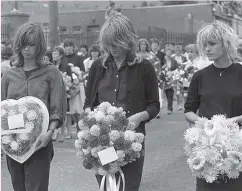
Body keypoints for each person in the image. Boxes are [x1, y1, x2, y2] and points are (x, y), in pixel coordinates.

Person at [84, 10, 160, 191]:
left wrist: (139, 117)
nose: (111, 48)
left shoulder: (144, 67)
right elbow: (89, 102)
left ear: (128, 41)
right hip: (101, 142)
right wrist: (91, 116)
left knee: (128, 186)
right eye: (108, 43)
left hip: (131, 141)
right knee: (106, 187)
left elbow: (154, 105)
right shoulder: (98, 67)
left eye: (116, 43)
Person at [1, 23, 67, 191]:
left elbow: (57, 108)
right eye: (23, 44)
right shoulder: (9, 75)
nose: (26, 49)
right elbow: (2, 108)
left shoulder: (51, 73)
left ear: (40, 46)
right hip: (13, 143)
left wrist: (49, 133)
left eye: (31, 44)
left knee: (37, 187)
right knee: (18, 186)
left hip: (40, 143)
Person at [184, 20, 242, 191]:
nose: (207, 48)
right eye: (204, 45)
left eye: (212, 43)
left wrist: (231, 122)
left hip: (237, 146)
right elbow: (188, 111)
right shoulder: (199, 76)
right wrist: (204, 124)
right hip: (207, 147)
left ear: (226, 44)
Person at [52, 46, 72, 142]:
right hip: (53, 92)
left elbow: (70, 79)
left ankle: (62, 133)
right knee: (54, 111)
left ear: (60, 56)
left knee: (63, 112)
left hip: (64, 91)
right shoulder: (51, 66)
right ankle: (54, 133)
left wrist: (66, 83)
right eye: (53, 53)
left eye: (56, 53)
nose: (53, 55)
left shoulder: (66, 66)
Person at [162, 47, 178, 114]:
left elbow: (176, 69)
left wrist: (173, 74)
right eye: (167, 51)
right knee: (164, 92)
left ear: (172, 53)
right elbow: (159, 67)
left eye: (170, 52)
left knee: (170, 93)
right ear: (165, 52)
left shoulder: (174, 61)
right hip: (163, 78)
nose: (169, 53)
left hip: (171, 77)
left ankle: (169, 108)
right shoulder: (162, 60)